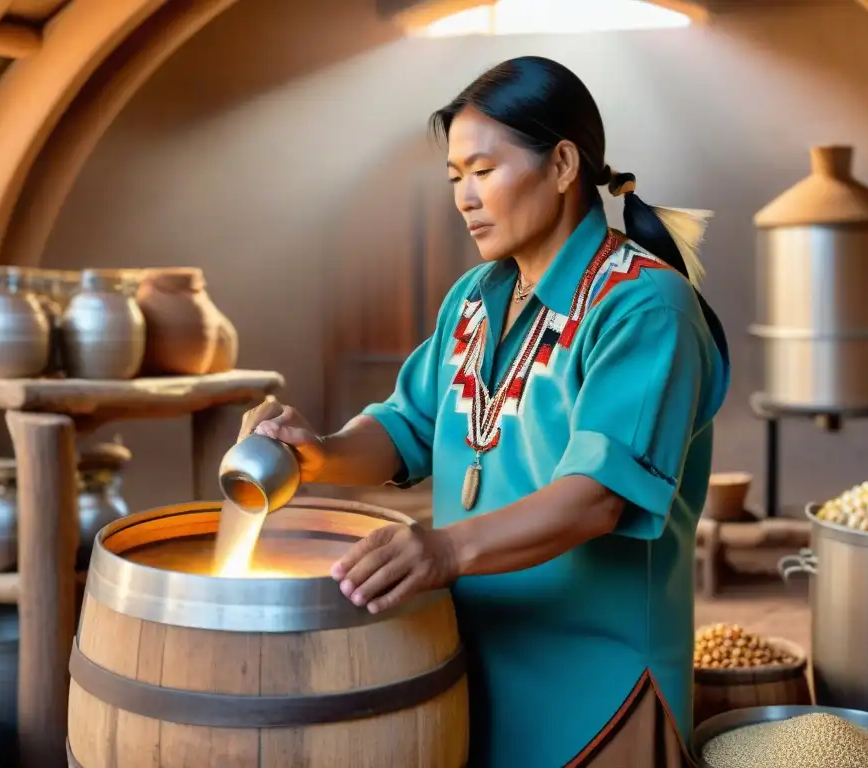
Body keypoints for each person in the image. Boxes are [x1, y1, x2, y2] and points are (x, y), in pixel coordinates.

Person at [241, 55, 730, 768]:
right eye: (454, 178)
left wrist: (443, 548)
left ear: (563, 165)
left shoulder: (643, 305)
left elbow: (594, 500)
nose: (465, 197)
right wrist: (313, 452)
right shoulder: (475, 297)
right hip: (466, 661)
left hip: (598, 692)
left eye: (483, 170)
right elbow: (408, 425)